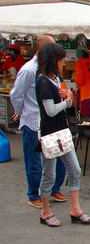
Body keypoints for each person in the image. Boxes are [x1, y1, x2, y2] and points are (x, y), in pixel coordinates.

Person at [36, 43, 90, 227]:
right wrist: (68, 100)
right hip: (49, 134)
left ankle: (75, 209)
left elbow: (65, 103)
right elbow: (50, 110)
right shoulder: (42, 81)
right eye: (60, 59)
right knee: (49, 175)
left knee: (75, 170)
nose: (63, 62)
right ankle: (45, 212)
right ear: (53, 60)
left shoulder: (56, 78)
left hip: (63, 131)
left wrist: (68, 96)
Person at [10, 35, 66, 209]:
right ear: (43, 49)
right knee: (35, 162)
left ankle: (53, 188)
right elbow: (16, 95)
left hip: (52, 122)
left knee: (58, 158)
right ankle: (34, 194)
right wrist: (21, 112)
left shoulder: (51, 69)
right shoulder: (28, 70)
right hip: (33, 121)